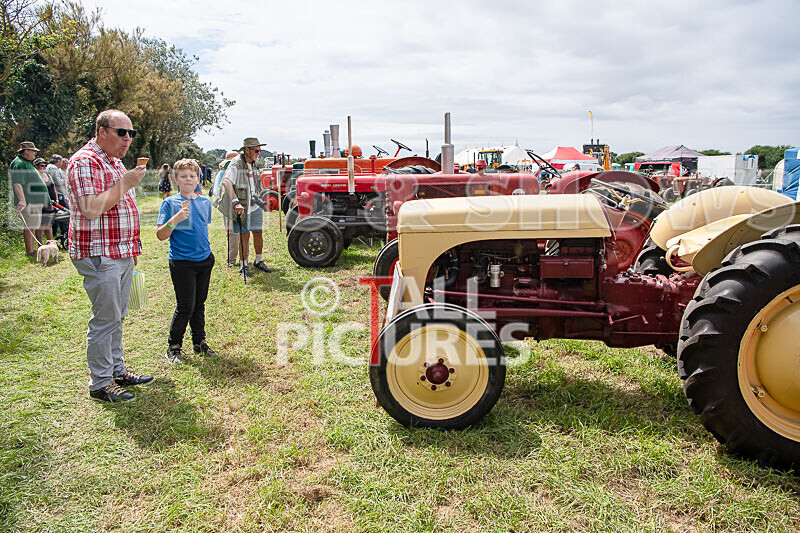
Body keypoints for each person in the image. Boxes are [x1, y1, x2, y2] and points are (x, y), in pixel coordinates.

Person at [66, 109, 153, 403]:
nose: (128, 139)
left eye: (131, 134)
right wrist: (127, 182)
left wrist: (131, 251)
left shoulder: (113, 162)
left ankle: (117, 370)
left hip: (119, 251)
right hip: (100, 253)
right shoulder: (85, 161)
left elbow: (119, 207)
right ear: (102, 131)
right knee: (105, 319)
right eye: (121, 132)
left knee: (116, 316)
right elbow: (91, 208)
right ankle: (101, 383)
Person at [156, 158, 217, 363]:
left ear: (198, 178)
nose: (188, 179)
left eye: (192, 176)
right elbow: (161, 235)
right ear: (176, 179)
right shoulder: (170, 203)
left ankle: (199, 342)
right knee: (186, 306)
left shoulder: (204, 202)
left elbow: (202, 227)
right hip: (182, 262)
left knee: (199, 304)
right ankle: (174, 346)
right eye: (183, 176)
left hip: (204, 260)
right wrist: (175, 220)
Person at [217, 138, 271, 275]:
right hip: (243, 206)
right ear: (247, 150)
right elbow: (226, 182)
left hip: (255, 205)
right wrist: (236, 202)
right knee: (244, 235)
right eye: (256, 150)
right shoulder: (236, 164)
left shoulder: (253, 163)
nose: (259, 153)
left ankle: (258, 261)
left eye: (260, 150)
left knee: (258, 233)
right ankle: (243, 265)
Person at [9, 141, 49, 256]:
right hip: (29, 201)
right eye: (33, 151)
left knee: (33, 226)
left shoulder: (27, 163)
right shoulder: (19, 163)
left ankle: (32, 250)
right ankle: (30, 251)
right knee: (30, 226)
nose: (35, 154)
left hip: (35, 201)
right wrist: (22, 200)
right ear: (26, 151)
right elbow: (17, 183)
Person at [34, 157, 55, 241]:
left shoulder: (48, 176)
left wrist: (56, 200)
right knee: (40, 225)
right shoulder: (35, 177)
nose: (44, 167)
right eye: (41, 165)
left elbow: (54, 189)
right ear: (35, 166)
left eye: (45, 166)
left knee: (48, 224)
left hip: (50, 203)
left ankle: (50, 243)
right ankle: (40, 245)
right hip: (39, 203)